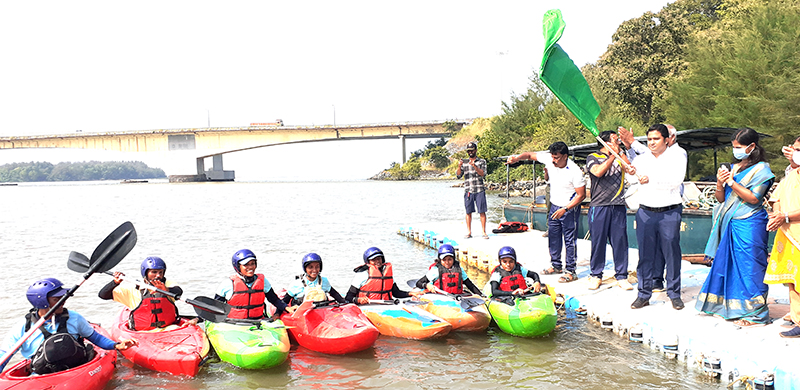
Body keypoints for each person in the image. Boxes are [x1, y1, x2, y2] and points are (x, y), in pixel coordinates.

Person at [0, 278, 136, 374]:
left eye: (63, 297)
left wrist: (116, 345)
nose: (63, 301)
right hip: (43, 374)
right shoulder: (24, 327)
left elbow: (94, 337)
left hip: (78, 368)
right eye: (57, 299)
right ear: (42, 302)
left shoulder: (74, 317)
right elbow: (5, 356)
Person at [506, 141, 586, 283]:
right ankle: (556, 265)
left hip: (569, 208)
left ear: (565, 156)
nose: (553, 161)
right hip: (555, 205)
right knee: (553, 236)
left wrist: (566, 208)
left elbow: (581, 195)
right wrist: (517, 158)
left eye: (557, 158)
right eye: (552, 157)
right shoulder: (549, 159)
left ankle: (571, 270)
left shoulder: (575, 171)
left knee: (569, 240)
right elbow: (529, 155)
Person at [620, 124, 686, 291]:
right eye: (649, 139)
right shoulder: (642, 159)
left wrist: (650, 180)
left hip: (669, 211)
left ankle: (674, 292)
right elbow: (633, 180)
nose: (652, 142)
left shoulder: (677, 156)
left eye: (656, 139)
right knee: (645, 254)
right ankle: (643, 293)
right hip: (646, 211)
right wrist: (630, 171)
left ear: (666, 140)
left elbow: (675, 181)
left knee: (671, 253)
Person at [586, 131, 635, 291]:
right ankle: (596, 275)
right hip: (599, 206)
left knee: (620, 242)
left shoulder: (620, 155)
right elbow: (598, 172)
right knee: (598, 242)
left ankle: (621, 276)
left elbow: (630, 169)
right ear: (605, 143)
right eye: (615, 140)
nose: (619, 142)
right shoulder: (593, 157)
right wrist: (613, 155)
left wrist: (619, 153)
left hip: (618, 205)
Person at [765, 136, 800, 337]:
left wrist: (785, 216)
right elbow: (776, 197)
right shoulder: (792, 175)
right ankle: (798, 319)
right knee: (793, 280)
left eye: (798, 150)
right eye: (794, 149)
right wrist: (778, 215)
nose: (794, 153)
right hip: (789, 233)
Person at [98, 256, 187, 331]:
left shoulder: (168, 284)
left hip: (168, 328)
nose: (158, 275)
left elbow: (178, 291)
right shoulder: (133, 289)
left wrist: (166, 290)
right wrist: (115, 282)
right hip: (142, 333)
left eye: (161, 272)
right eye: (154, 272)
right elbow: (103, 295)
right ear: (146, 273)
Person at [214, 249, 295, 320]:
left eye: (252, 263)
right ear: (238, 266)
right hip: (234, 322)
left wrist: (286, 308)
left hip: (258, 320)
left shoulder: (263, 281)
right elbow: (216, 307)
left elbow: (274, 300)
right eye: (246, 265)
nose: (251, 267)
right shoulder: (227, 284)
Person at [345, 247, 423, 304]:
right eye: (374, 260)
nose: (377, 261)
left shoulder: (387, 273)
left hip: (387, 305)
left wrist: (410, 293)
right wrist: (358, 300)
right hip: (367, 306)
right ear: (368, 262)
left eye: (379, 259)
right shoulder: (362, 274)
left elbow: (396, 293)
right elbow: (348, 297)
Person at [414, 244, 482, 296]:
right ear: (440, 260)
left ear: (453, 259)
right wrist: (427, 285)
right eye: (444, 260)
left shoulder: (459, 270)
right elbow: (418, 283)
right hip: (439, 297)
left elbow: (470, 285)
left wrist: (481, 295)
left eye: (450, 259)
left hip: (456, 296)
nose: (447, 262)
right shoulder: (435, 270)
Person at [456, 142, 489, 239]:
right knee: (468, 212)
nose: (470, 152)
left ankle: (484, 232)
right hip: (468, 190)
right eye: (468, 151)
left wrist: (474, 166)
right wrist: (459, 166)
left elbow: (483, 174)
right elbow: (458, 175)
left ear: (475, 150)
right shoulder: (464, 162)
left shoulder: (482, 161)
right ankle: (469, 232)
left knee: (482, 211)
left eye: (472, 150)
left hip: (479, 189)